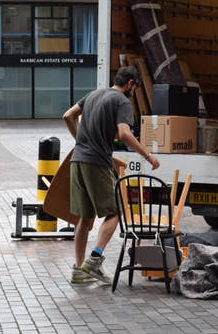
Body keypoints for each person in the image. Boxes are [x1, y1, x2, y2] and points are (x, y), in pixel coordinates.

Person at [62, 66, 160, 284]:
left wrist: (80, 140)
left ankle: (79, 269)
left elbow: (68, 116)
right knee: (116, 211)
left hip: (77, 160)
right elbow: (125, 134)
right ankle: (94, 260)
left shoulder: (93, 95)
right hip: (97, 162)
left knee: (84, 218)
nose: (133, 92)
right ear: (131, 84)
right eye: (134, 88)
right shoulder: (121, 101)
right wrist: (148, 155)